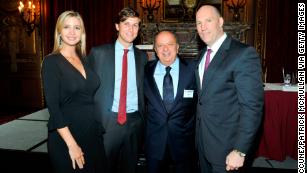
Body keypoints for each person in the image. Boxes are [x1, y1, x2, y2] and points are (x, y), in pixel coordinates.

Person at [194, 5, 264, 173]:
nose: (202, 27)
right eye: (198, 23)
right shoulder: (202, 55)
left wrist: (240, 150)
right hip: (203, 144)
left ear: (220, 22)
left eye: (208, 21)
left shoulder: (243, 54)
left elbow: (252, 107)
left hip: (228, 149)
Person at [41, 11, 105, 173]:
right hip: (67, 138)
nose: (72, 32)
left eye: (77, 27)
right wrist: (72, 145)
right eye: (67, 27)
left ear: (82, 32)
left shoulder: (85, 59)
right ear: (59, 32)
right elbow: (53, 108)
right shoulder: (51, 62)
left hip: (92, 134)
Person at [87, 7, 147, 173]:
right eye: (126, 24)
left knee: (131, 167)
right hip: (108, 122)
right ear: (117, 26)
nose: (131, 29)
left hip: (135, 122)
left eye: (135, 25)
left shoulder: (142, 57)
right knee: (103, 167)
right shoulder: (98, 53)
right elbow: (86, 89)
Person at [144, 30, 197, 173]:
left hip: (184, 143)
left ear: (177, 47)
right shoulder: (145, 70)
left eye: (170, 44)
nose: (165, 49)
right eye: (160, 45)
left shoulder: (193, 70)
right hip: (154, 143)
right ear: (155, 49)